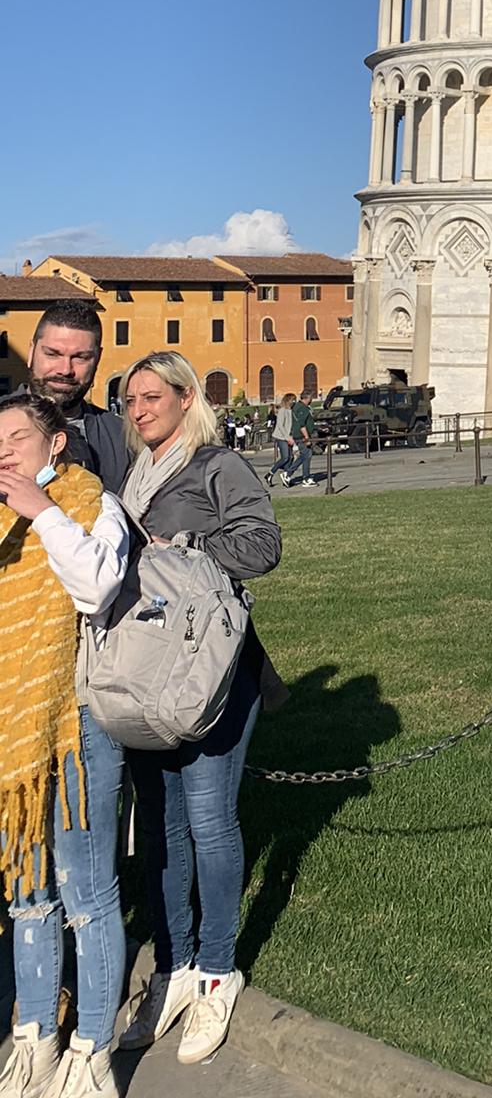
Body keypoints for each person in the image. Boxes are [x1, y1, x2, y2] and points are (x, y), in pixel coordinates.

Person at [115, 354, 282, 1070]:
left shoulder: (216, 465)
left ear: (188, 398)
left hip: (213, 674)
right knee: (162, 824)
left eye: (152, 397)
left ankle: (218, 970)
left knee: (210, 820)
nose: (139, 409)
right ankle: (175, 965)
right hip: (150, 676)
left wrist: (184, 546)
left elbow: (263, 545)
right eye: (130, 400)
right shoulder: (137, 477)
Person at [0, 391, 130, 1098]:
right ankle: (35, 1042)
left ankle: (92, 1051)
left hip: (77, 729)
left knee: (86, 891)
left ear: (53, 445)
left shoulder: (89, 504)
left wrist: (42, 513)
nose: (2, 450)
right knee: (27, 893)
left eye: (16, 436)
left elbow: (97, 588)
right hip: (14, 738)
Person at [27, 300, 130, 497]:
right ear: (31, 352)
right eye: (52, 354)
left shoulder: (124, 440)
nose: (65, 370)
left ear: (97, 359)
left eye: (80, 357)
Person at [285, 395, 315, 486]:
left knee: (305, 455)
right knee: (307, 454)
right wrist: (307, 437)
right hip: (301, 436)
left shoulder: (298, 407)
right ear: (308, 398)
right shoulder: (302, 408)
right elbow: (302, 424)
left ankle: (292, 474)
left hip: (298, 435)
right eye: (311, 398)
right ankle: (303, 477)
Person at [270, 393, 295, 481]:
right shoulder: (282, 410)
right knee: (285, 457)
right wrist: (287, 437)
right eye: (293, 400)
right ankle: (271, 472)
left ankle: (286, 476)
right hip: (281, 436)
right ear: (288, 400)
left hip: (288, 436)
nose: (294, 402)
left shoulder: (290, 411)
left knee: (290, 457)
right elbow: (280, 425)